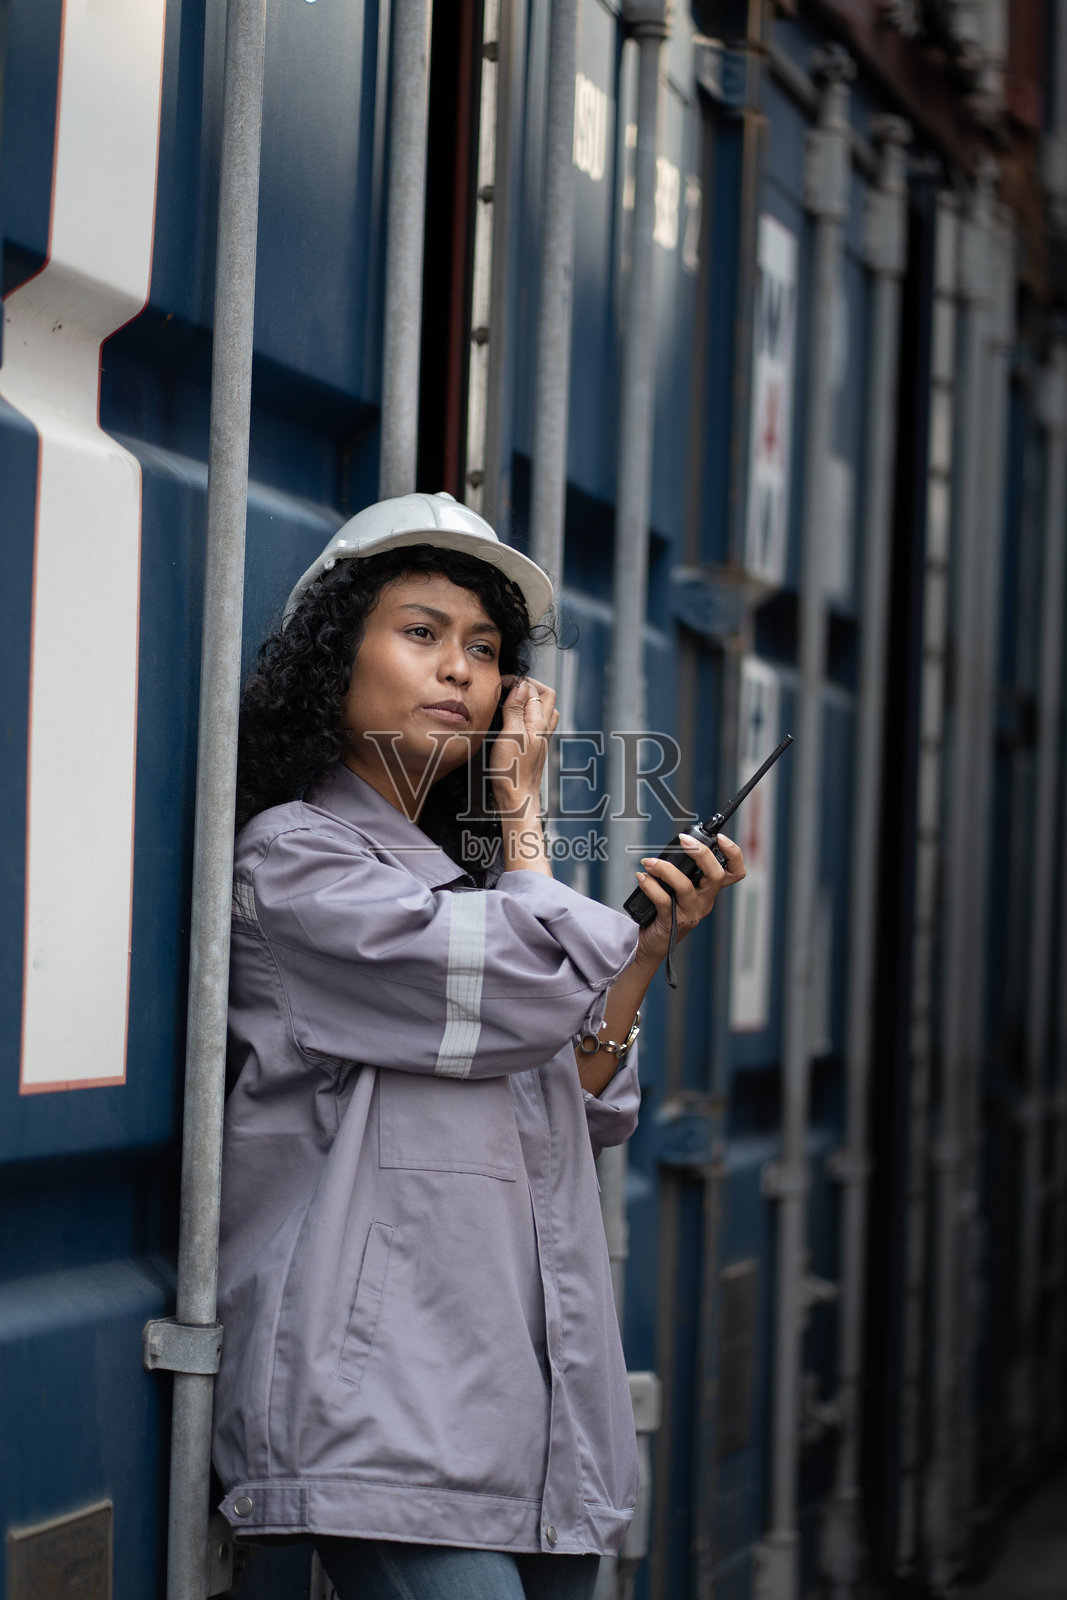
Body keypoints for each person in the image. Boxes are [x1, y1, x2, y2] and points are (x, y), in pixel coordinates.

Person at [211, 492, 745, 1600]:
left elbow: (576, 1095)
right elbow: (511, 996)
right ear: (333, 659)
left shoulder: (461, 889)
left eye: (484, 649)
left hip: (519, 1400)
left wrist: (646, 949)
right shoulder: (295, 864)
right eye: (420, 633)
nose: (459, 669)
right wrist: (524, 819)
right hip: (388, 1408)